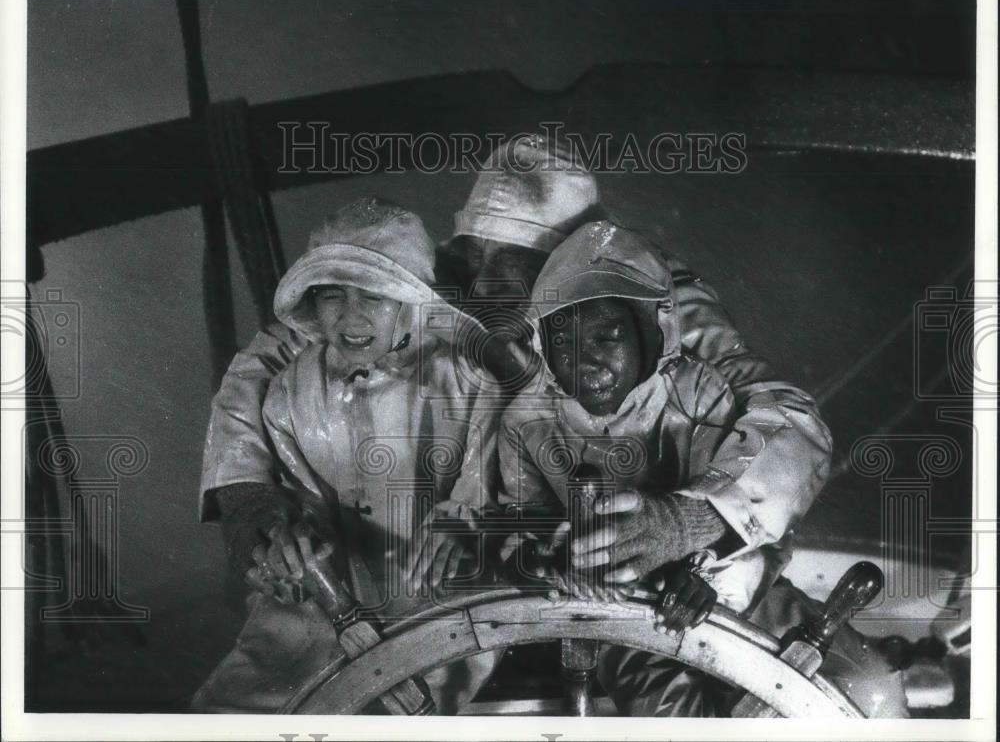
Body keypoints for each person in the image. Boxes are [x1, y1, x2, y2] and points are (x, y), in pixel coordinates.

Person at [197, 133, 841, 712]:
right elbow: (283, 346)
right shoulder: (457, 267)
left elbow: (785, 412)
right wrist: (247, 493)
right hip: (458, 555)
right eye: (477, 260)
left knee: (854, 689)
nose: (483, 288)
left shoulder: (652, 291)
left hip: (638, 571)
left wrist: (692, 522)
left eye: (515, 271)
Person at [495, 220, 905, 717]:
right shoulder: (526, 421)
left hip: (738, 587)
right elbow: (519, 529)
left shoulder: (703, 393)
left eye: (608, 336)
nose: (586, 362)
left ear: (653, 333)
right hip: (619, 620)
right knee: (673, 715)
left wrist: (702, 565)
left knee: (870, 691)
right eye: (565, 344)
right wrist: (551, 564)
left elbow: (773, 477)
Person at [192, 197, 502, 713]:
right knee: (236, 707)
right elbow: (295, 504)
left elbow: (491, 479)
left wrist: (467, 518)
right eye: (333, 295)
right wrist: (285, 547)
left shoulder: (467, 378)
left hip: (442, 594)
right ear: (312, 301)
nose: (351, 316)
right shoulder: (290, 393)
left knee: (403, 702)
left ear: (410, 299)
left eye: (374, 296)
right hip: (325, 598)